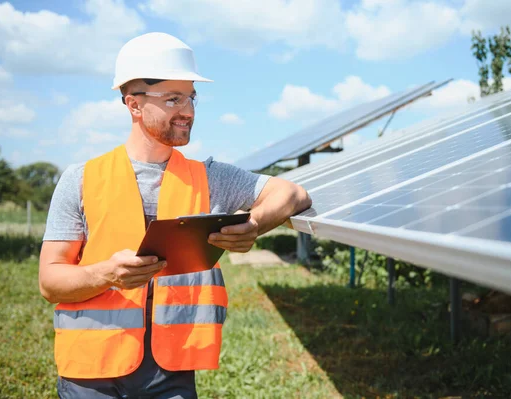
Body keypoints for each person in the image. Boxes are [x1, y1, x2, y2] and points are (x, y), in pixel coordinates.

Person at [39, 32, 312, 399]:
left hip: (172, 373)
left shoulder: (211, 177)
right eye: (173, 99)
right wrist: (106, 273)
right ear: (133, 105)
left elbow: (292, 193)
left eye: (191, 98)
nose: (189, 111)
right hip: (90, 372)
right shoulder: (81, 180)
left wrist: (255, 225)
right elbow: (49, 280)